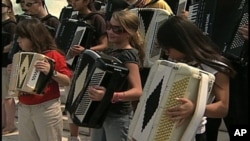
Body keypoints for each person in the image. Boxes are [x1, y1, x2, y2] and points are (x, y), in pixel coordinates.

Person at [156, 16, 236, 141]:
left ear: (180, 43)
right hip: (165, 129)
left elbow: (222, 108)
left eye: (168, 49)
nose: (167, 54)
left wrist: (194, 108)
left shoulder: (215, 66)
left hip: (193, 133)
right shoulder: (173, 63)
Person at [8, 17, 72, 141]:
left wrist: (51, 72)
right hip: (24, 107)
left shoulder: (53, 54)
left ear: (33, 37)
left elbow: (67, 81)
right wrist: (14, 71)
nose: (19, 41)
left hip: (46, 108)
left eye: (22, 37)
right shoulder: (21, 55)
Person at [87, 10, 144, 141]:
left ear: (129, 32)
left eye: (117, 29)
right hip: (102, 112)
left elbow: (137, 91)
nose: (110, 32)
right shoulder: (111, 51)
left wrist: (110, 96)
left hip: (118, 116)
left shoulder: (128, 55)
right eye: (109, 27)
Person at [65, 0, 108, 141]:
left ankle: (91, 137)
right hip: (74, 66)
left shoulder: (97, 18)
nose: (72, 2)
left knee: (88, 103)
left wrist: (86, 51)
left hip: (90, 67)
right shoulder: (74, 17)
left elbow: (105, 44)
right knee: (72, 102)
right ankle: (73, 136)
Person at [2, 0, 18, 135]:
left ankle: (10, 124)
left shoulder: (11, 25)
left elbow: (13, 44)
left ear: (8, 8)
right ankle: (3, 123)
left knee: (8, 97)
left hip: (5, 64)